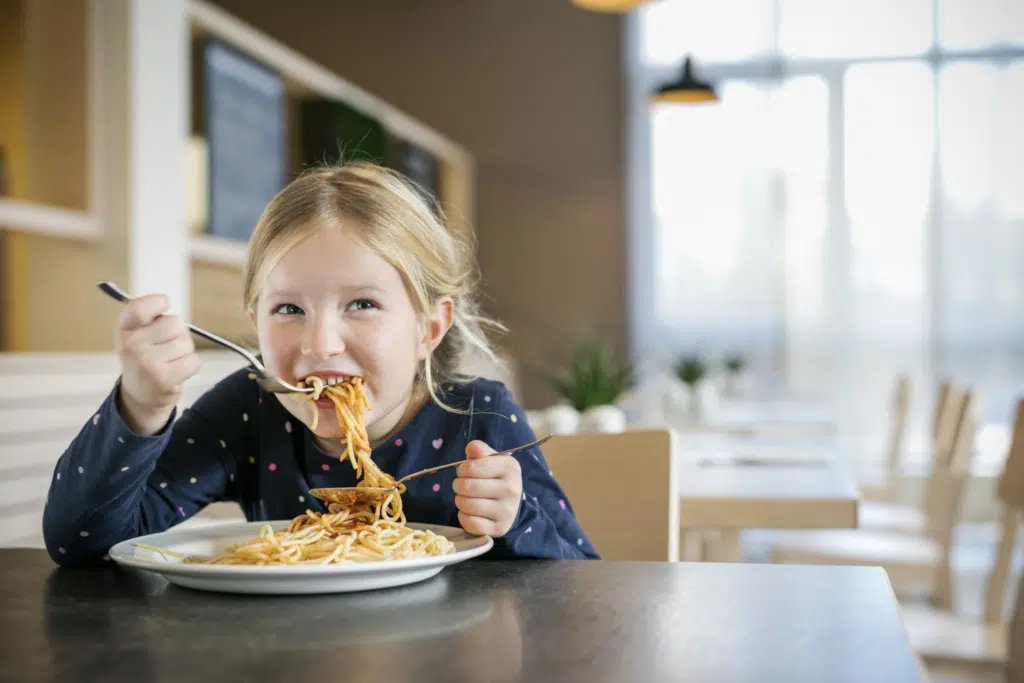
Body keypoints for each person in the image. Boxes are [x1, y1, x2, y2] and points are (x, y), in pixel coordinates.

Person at [43, 162, 598, 565]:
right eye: (288, 308)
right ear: (255, 320)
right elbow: (82, 542)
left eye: (362, 304)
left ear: (428, 327)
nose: (321, 343)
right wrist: (140, 408)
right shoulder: (248, 408)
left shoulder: (478, 417)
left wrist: (515, 518)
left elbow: (583, 579)